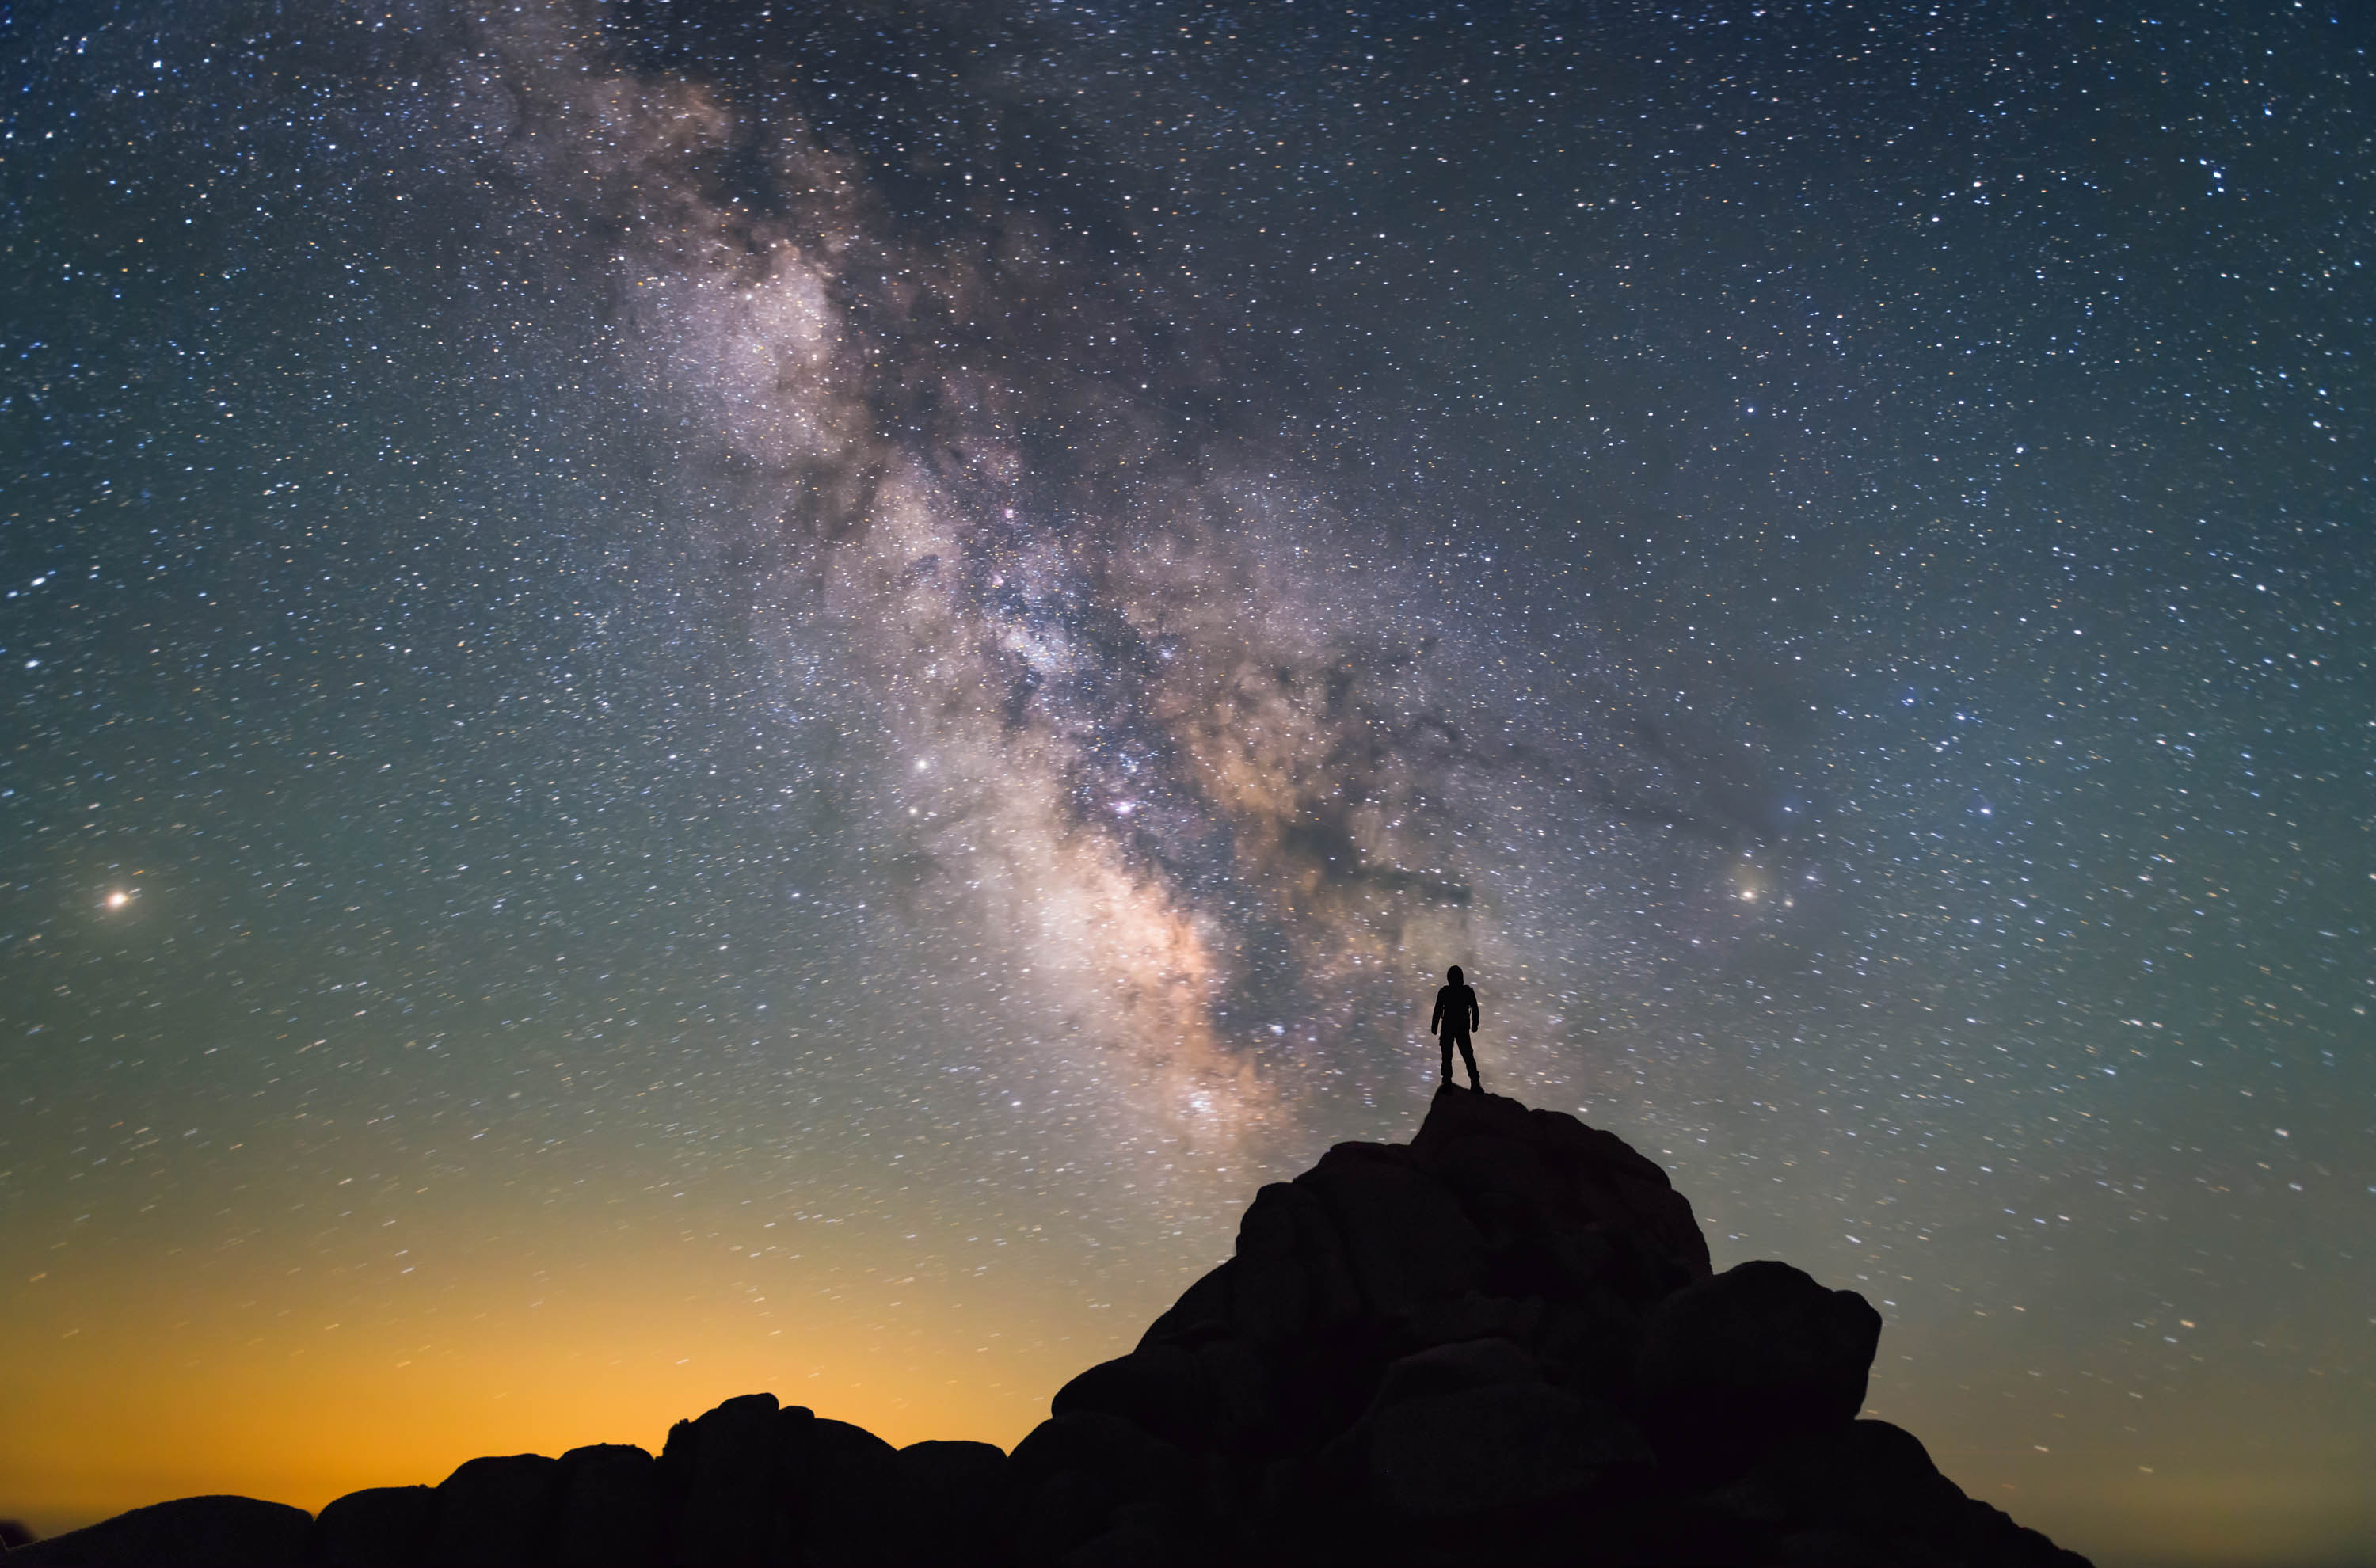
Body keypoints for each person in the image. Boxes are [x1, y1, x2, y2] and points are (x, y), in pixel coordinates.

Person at [1430, 965, 1481, 1090]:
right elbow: (1475, 1009)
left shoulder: (1445, 992)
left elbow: (1437, 1011)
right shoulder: (1466, 991)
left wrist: (1434, 1026)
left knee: (1452, 1056)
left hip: (1450, 1027)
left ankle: (1449, 1082)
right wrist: (1474, 1024)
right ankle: (1473, 1083)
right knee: (1465, 1055)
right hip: (1459, 1028)